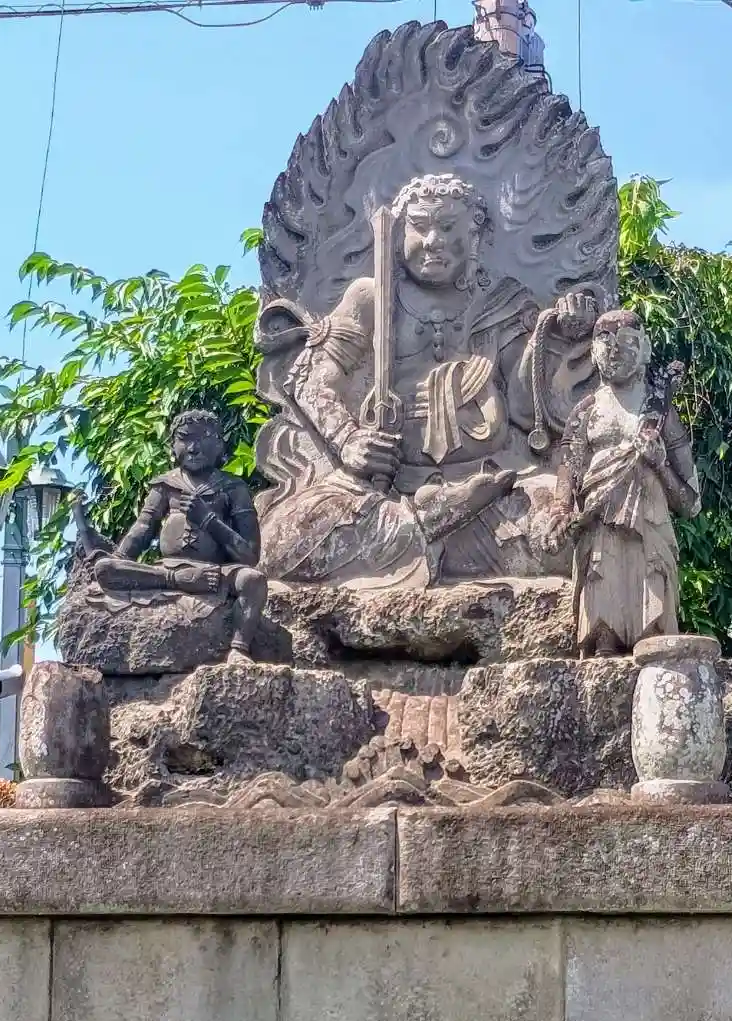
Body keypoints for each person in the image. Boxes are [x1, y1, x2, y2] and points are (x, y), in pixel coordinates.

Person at [257, 172, 598, 588]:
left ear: (475, 237)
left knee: (573, 535)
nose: (433, 240)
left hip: (491, 484)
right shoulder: (371, 298)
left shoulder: (500, 302)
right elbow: (310, 381)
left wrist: (555, 334)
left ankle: (429, 532)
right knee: (281, 543)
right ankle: (428, 522)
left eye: (449, 227)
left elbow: (526, 412)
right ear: (398, 235)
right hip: (383, 491)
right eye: (419, 227)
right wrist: (348, 440)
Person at [551, 310, 701, 655]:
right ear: (593, 352)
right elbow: (568, 475)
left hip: (650, 526)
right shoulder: (586, 412)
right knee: (602, 616)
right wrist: (559, 511)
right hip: (600, 528)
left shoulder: (659, 412)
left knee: (654, 614)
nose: (615, 350)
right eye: (605, 342)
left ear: (645, 349)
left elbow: (690, 502)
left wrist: (659, 464)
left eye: (626, 342)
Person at [88, 409, 267, 663]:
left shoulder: (233, 488)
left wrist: (208, 519)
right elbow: (143, 528)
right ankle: (179, 580)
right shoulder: (165, 486)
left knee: (253, 580)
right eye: (185, 439)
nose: (193, 448)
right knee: (106, 568)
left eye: (203, 439)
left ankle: (239, 648)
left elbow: (249, 554)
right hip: (166, 570)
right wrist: (119, 557)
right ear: (172, 445)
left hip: (216, 572)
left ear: (219, 445)